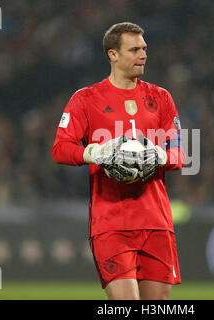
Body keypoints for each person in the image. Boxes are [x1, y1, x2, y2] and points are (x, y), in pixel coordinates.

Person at [52, 22, 185, 300]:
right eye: (134, 49)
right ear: (112, 55)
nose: (143, 55)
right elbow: (60, 149)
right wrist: (94, 153)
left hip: (156, 223)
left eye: (144, 49)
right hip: (111, 224)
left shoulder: (161, 98)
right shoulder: (85, 99)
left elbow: (180, 154)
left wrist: (160, 155)